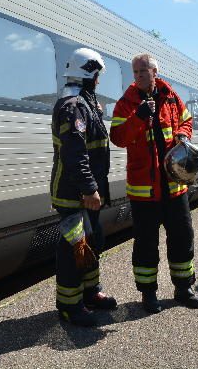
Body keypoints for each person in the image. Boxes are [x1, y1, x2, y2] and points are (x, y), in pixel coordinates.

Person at [110, 53, 198, 314]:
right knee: (146, 244)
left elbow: (186, 119)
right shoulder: (126, 103)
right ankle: (148, 295)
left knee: (183, 237)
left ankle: (184, 288)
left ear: (155, 72)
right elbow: (118, 137)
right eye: (135, 72)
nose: (138, 76)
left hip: (175, 186)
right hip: (144, 191)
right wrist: (138, 117)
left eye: (143, 71)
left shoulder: (171, 96)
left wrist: (183, 134)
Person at [50, 47, 117, 327]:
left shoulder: (85, 103)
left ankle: (90, 293)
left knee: (92, 242)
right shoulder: (74, 106)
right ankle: (69, 306)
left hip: (86, 193)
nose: (100, 80)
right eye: (98, 75)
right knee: (73, 250)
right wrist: (89, 188)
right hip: (73, 194)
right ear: (91, 73)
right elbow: (75, 153)